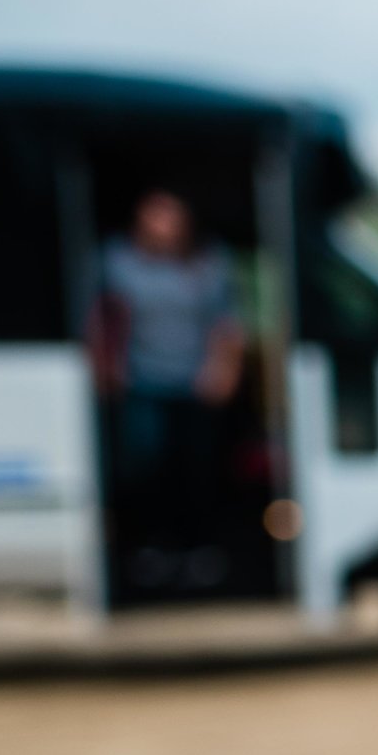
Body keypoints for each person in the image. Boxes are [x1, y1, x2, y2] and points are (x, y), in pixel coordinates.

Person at [94, 189, 246, 591]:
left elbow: (227, 324)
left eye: (174, 218)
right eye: (158, 217)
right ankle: (151, 549)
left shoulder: (209, 263)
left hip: (196, 383)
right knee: (146, 469)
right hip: (141, 383)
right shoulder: (117, 260)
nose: (168, 226)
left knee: (198, 470)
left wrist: (223, 371)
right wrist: (107, 367)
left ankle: (201, 550)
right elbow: (101, 316)